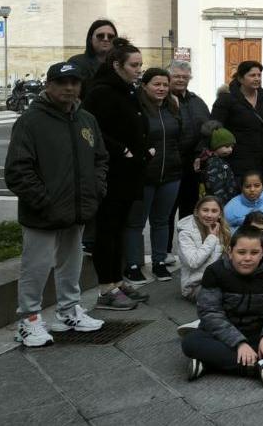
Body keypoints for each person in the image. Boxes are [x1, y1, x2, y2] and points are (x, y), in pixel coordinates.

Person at [7, 61, 109, 346]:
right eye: (62, 83)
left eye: (74, 83)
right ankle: (28, 320)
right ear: (48, 86)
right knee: (35, 267)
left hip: (77, 209)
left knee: (71, 263)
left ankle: (68, 310)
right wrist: (44, 201)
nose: (69, 88)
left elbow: (100, 158)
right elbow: (18, 170)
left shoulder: (86, 119)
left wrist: (96, 189)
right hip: (43, 212)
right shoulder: (30, 121)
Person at [81, 38, 150, 310]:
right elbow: (92, 129)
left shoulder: (127, 90)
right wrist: (122, 150)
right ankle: (105, 288)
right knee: (107, 231)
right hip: (112, 173)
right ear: (117, 65)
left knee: (119, 230)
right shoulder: (101, 92)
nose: (139, 70)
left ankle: (117, 280)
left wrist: (144, 148)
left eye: (140, 65)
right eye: (134, 65)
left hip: (129, 173)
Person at [181, 227, 263, 384]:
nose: (247, 258)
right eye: (241, 252)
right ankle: (256, 367)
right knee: (190, 342)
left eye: (254, 253)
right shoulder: (215, 271)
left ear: (262, 252)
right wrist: (239, 343)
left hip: (256, 331)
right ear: (230, 251)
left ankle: (209, 363)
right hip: (221, 335)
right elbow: (209, 312)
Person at [125, 68, 184, 285]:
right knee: (136, 222)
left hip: (171, 174)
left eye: (165, 85)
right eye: (156, 84)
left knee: (162, 221)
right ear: (144, 86)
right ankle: (132, 264)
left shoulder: (172, 107)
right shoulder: (137, 109)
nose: (161, 89)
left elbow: (179, 138)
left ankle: (159, 262)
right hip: (144, 175)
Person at [211, 60, 263, 181]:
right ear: (240, 78)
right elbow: (214, 127)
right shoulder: (226, 99)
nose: (257, 78)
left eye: (259, 75)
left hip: (262, 162)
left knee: (260, 197)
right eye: (252, 75)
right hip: (235, 161)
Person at [168, 60, 211, 223]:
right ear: (169, 77)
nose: (180, 80)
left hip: (194, 163)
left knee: (190, 210)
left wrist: (201, 153)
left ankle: (187, 247)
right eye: (176, 76)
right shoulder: (164, 100)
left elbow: (208, 128)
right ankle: (164, 248)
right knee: (168, 211)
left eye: (184, 77)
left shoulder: (197, 101)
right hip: (171, 163)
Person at [176, 196, 231, 301]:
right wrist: (211, 238)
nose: (209, 215)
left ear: (220, 215)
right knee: (223, 298)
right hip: (195, 285)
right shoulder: (185, 233)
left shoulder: (222, 230)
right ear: (197, 212)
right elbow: (193, 262)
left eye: (214, 211)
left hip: (218, 279)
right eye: (205, 210)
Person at [68, 19, 117, 92]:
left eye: (110, 36)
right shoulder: (76, 63)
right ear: (90, 39)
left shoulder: (121, 63)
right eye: (100, 36)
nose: (106, 39)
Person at [201, 124, 238, 205]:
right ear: (215, 146)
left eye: (232, 147)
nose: (230, 149)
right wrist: (222, 203)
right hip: (219, 203)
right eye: (227, 146)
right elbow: (216, 186)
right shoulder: (214, 163)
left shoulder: (220, 160)